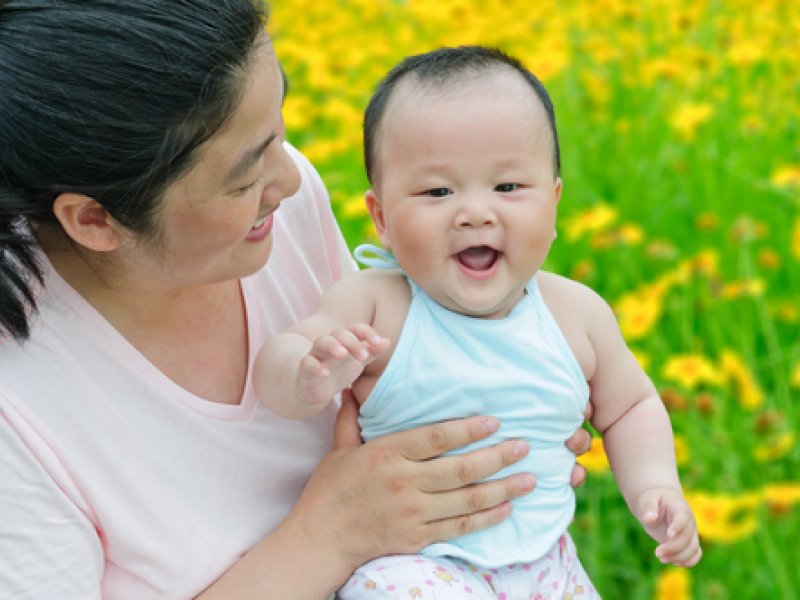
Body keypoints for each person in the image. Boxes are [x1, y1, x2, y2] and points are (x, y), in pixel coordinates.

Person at [0, 3, 595, 599]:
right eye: (244, 178)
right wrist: (328, 535)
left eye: (278, 137)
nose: (288, 179)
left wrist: (511, 414)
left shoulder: (276, 212)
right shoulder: (19, 415)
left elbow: (396, 367)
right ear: (95, 219)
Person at [255, 46, 702, 598]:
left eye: (508, 187)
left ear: (555, 202)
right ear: (382, 219)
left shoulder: (577, 314)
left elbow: (631, 406)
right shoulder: (377, 304)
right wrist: (307, 372)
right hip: (415, 565)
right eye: (438, 191)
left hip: (549, 560)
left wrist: (656, 486)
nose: (476, 212)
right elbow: (278, 364)